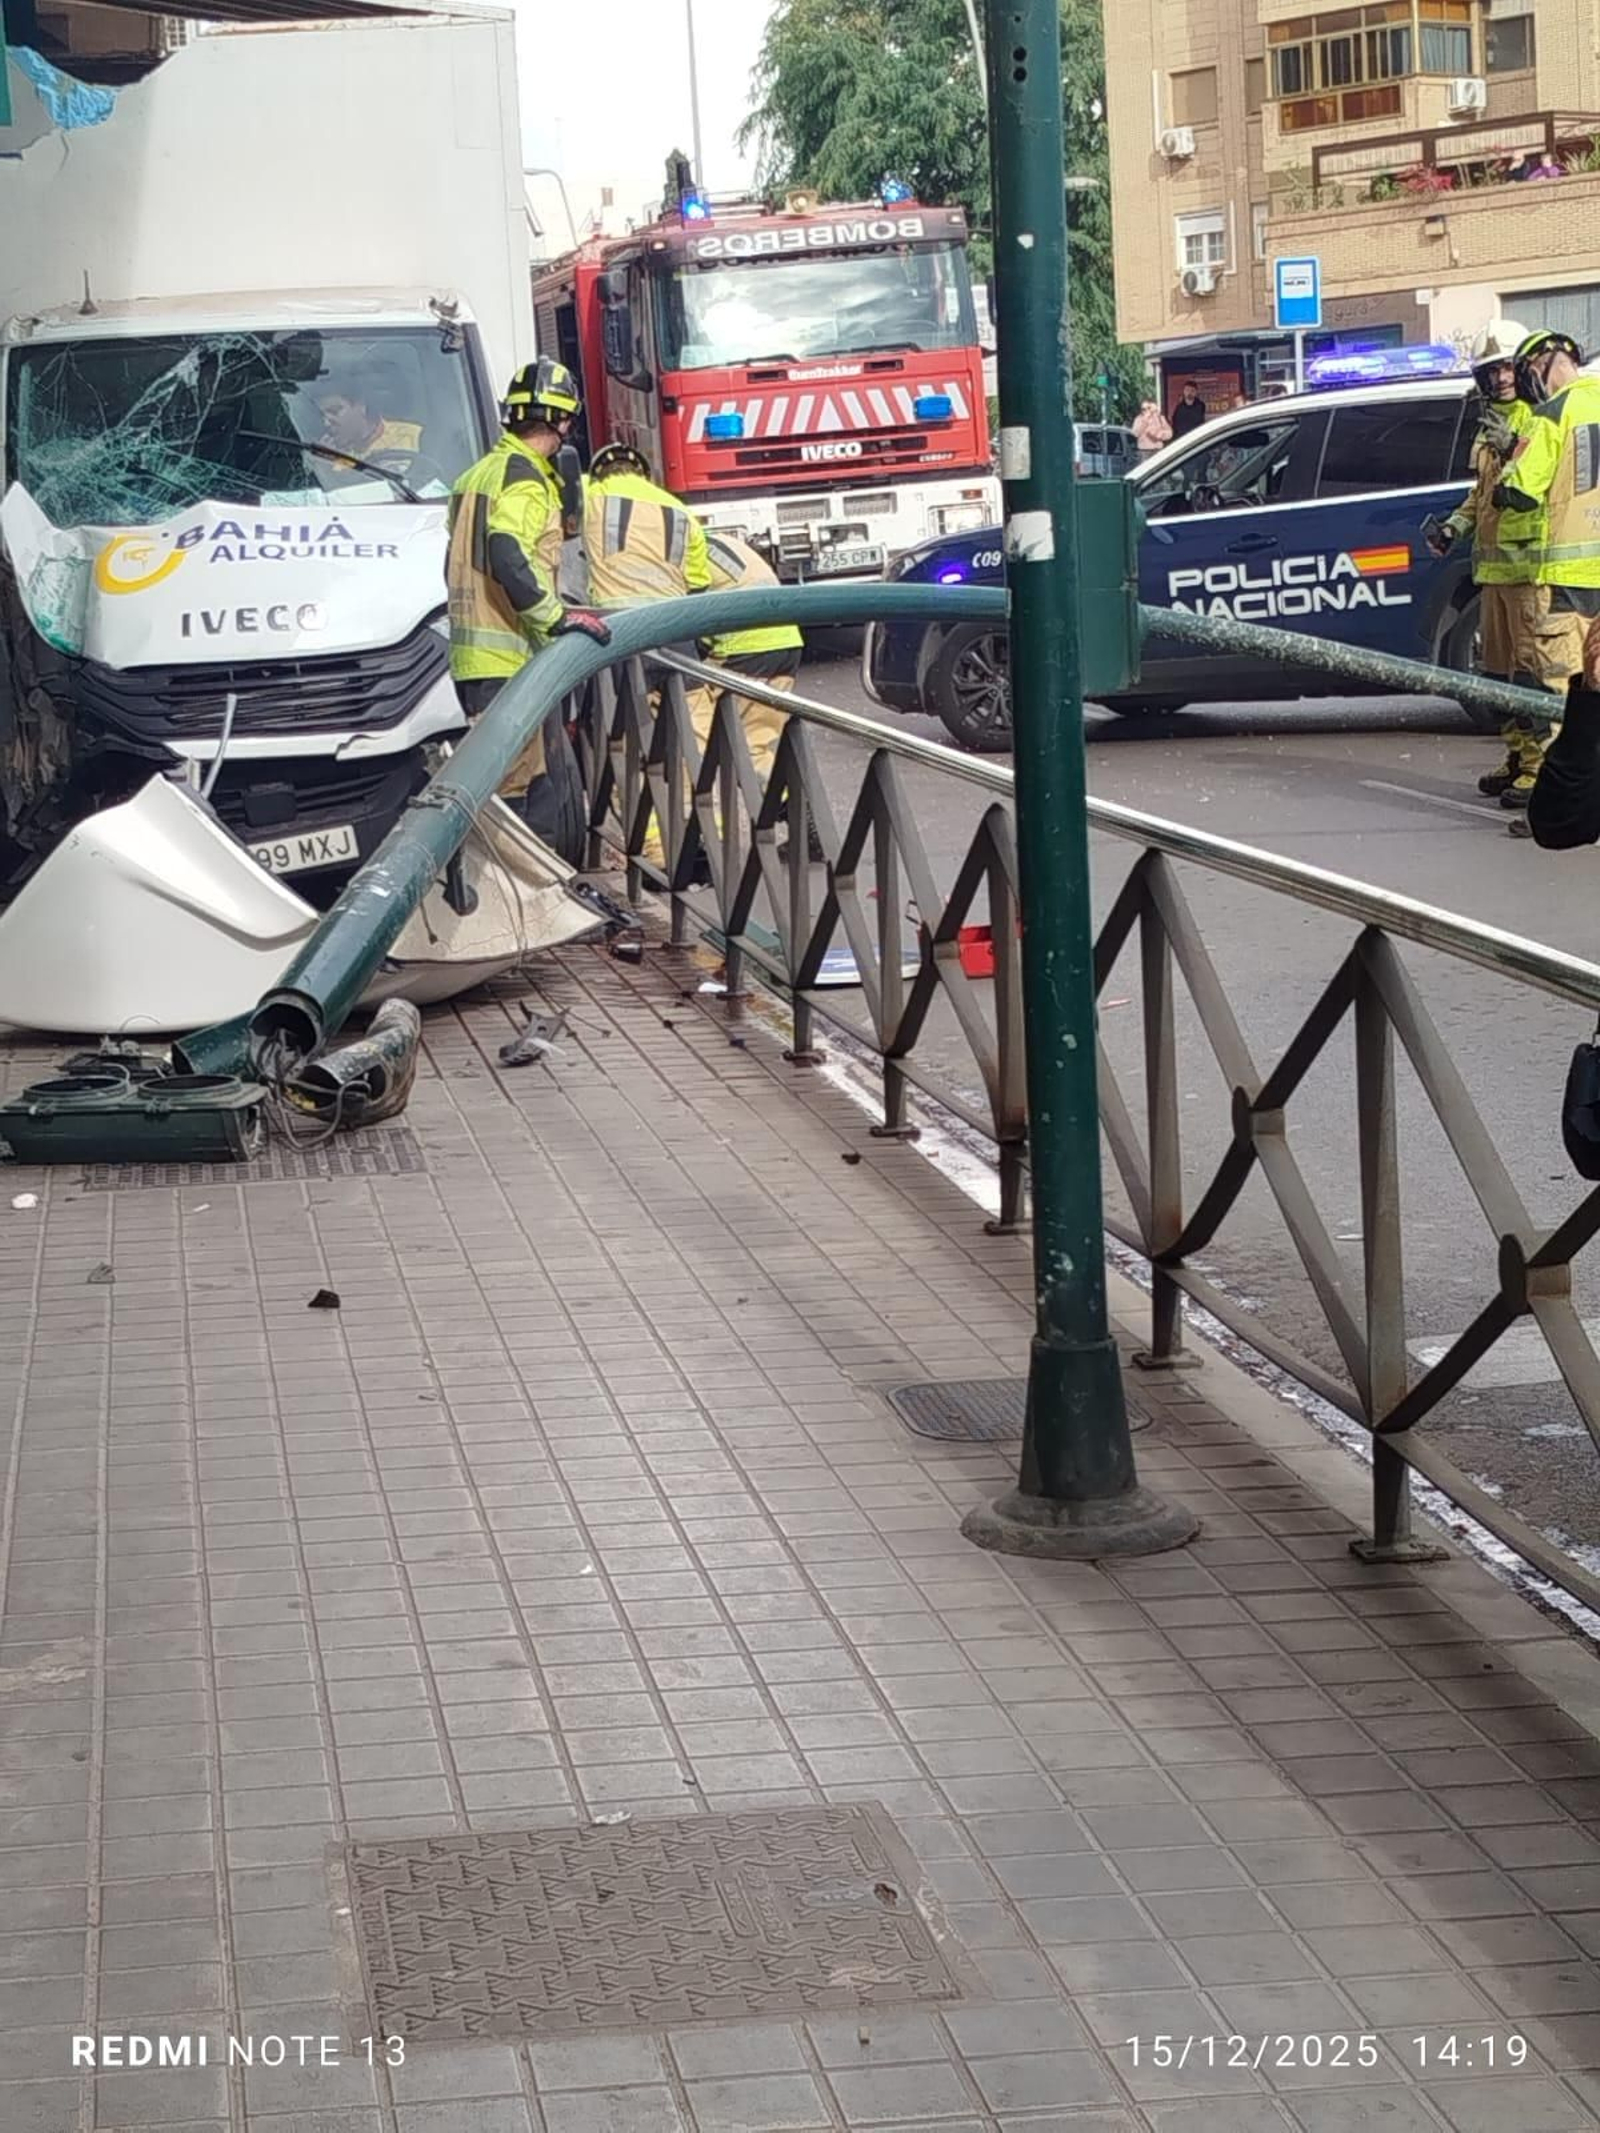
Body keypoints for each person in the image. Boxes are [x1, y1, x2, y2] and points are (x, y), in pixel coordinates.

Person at [444, 357, 610, 865]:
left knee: (498, 780)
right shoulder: (526, 479)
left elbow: (456, 557)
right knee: (524, 788)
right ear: (563, 422)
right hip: (511, 660)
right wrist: (554, 617)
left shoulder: (477, 475)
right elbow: (506, 550)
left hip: (472, 658)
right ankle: (528, 906)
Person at [1423, 318, 1542, 828]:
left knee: (1532, 675)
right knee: (1497, 677)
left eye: (1505, 370)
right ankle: (1516, 755)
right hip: (1492, 572)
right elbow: (1482, 494)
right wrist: (1453, 527)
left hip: (1531, 571)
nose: (1499, 381)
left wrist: (1515, 440)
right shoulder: (1487, 424)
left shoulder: (1539, 421)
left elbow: (1532, 483)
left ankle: (1540, 770)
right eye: (1489, 372)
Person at [1488, 327, 1600, 829]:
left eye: (1526, 369)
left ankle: (1559, 812)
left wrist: (1512, 457)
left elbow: (1518, 491)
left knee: (1561, 695)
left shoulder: (1552, 414)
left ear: (1542, 363)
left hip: (1566, 577)